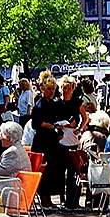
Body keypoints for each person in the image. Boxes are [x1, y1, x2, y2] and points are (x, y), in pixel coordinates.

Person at [56, 75, 89, 208]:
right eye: (64, 88)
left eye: (69, 88)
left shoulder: (77, 102)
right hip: (60, 138)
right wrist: (58, 126)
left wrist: (79, 129)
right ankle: (62, 199)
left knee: (73, 170)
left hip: (73, 139)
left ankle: (73, 200)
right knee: (60, 171)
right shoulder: (57, 103)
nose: (66, 90)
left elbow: (85, 118)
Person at [31, 77, 60, 206]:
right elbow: (35, 124)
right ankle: (44, 198)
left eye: (53, 89)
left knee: (51, 170)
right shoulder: (39, 105)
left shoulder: (54, 103)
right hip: (42, 141)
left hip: (52, 141)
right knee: (44, 170)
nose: (51, 91)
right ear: (43, 89)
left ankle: (48, 198)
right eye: (48, 89)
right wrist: (48, 125)